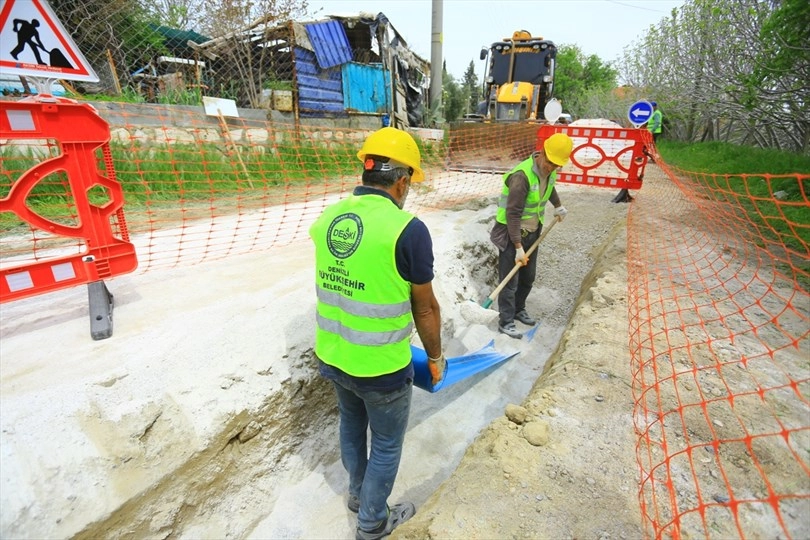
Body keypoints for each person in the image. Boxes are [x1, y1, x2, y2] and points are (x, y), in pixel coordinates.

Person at [309, 126, 445, 540]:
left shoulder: (329, 217)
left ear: (367, 171)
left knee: (351, 423)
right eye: (410, 184)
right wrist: (436, 359)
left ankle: (357, 495)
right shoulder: (407, 229)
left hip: (334, 355)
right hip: (381, 369)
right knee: (386, 443)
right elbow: (425, 307)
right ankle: (372, 521)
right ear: (402, 181)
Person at [489, 132, 574, 339]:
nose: (552, 168)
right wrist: (518, 247)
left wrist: (558, 206)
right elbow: (513, 214)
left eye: (556, 165)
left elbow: (550, 188)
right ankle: (506, 321)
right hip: (511, 234)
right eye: (550, 163)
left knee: (528, 277)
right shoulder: (522, 176)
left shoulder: (550, 170)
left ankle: (519, 309)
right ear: (542, 153)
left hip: (532, 232)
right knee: (510, 281)